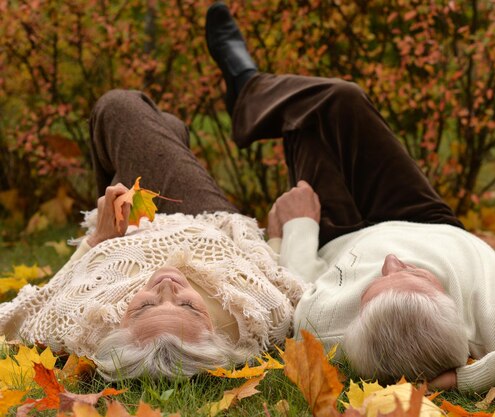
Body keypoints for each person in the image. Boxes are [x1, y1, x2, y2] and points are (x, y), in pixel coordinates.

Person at [204, 2, 495, 393]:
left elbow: (299, 285)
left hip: (341, 233)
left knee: (315, 117)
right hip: (429, 221)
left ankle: (246, 86)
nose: (390, 262)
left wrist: (298, 226)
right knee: (345, 98)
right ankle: (248, 90)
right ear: (454, 311)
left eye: (375, 285)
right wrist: (472, 377)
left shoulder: (329, 326)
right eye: (416, 276)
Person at [0, 50, 305, 381]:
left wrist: (96, 241)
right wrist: (278, 235)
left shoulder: (81, 327)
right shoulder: (254, 320)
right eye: (189, 307)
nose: (167, 287)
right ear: (217, 335)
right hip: (204, 221)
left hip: (125, 232)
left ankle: (174, 132)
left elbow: (29, 310)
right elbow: (283, 282)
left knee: (138, 117)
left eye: (144, 307)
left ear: (117, 332)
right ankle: (197, 121)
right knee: (134, 116)